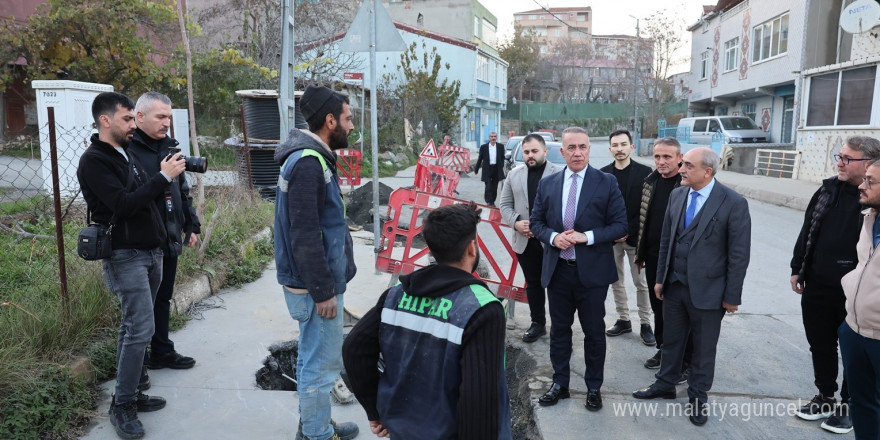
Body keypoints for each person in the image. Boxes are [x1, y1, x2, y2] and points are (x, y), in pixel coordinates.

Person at [342, 203, 511, 439]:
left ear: (430, 248)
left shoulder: (397, 294)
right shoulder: (482, 308)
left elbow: (354, 349)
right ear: (472, 248)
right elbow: (478, 398)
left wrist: (376, 409)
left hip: (402, 429)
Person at [77, 92, 186, 439]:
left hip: (150, 251)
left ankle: (135, 392)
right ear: (105, 120)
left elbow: (149, 198)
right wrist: (163, 177)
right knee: (139, 327)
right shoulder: (94, 160)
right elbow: (123, 204)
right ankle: (121, 406)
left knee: (134, 327)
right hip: (125, 255)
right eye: (126, 119)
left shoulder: (126, 153)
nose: (132, 126)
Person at [632, 147, 751, 427]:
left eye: (687, 165)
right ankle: (665, 384)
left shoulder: (733, 202)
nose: (681, 169)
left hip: (710, 292)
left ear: (707, 172)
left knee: (703, 347)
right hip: (674, 285)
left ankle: (698, 395)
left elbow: (738, 254)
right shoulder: (677, 195)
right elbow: (666, 242)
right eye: (682, 163)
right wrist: (661, 279)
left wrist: (732, 296)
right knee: (672, 341)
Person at [274, 85, 359, 440]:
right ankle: (317, 435)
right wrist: (324, 291)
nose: (351, 126)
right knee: (321, 366)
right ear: (329, 121)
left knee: (313, 358)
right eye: (348, 118)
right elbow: (305, 234)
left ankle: (314, 423)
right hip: (315, 289)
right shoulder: (308, 163)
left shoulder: (312, 158)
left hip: (314, 282)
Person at [529, 126, 628, 411]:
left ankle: (593, 386)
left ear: (589, 149)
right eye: (571, 148)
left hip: (592, 274)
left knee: (594, 333)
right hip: (559, 270)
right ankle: (560, 383)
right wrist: (552, 237)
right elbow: (536, 222)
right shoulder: (548, 184)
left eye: (582, 147)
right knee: (559, 331)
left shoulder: (606, 182)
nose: (577, 152)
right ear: (562, 151)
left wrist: (587, 236)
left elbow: (620, 225)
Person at [790, 136, 880, 434]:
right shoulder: (827, 190)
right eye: (838, 156)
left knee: (852, 349)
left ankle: (849, 404)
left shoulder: (872, 200)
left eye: (846, 158)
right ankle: (825, 395)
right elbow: (808, 230)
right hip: (817, 284)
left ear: (869, 163)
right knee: (820, 344)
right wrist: (797, 267)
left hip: (854, 293)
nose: (839, 162)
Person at [129, 92, 200, 377]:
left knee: (163, 297)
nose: (166, 122)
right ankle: (138, 363)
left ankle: (161, 351)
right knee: (140, 306)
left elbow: (182, 191)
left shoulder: (169, 147)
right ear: (140, 117)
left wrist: (191, 225)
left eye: (169, 116)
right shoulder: (129, 152)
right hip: (143, 240)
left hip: (170, 235)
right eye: (160, 116)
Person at [635, 138, 693, 373]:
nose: (661, 162)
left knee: (680, 310)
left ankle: (685, 359)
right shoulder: (650, 182)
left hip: (679, 260)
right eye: (657, 157)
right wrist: (640, 254)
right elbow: (643, 221)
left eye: (667, 157)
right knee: (658, 307)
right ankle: (664, 349)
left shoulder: (688, 185)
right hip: (653, 256)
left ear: (680, 158)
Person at [499, 134, 562, 343]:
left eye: (534, 151)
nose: (530, 155)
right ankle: (538, 323)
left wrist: (546, 229)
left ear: (545, 151)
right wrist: (516, 222)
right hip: (524, 241)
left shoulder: (560, 174)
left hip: (552, 242)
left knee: (557, 285)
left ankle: (561, 328)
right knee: (533, 284)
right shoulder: (514, 175)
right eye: (526, 152)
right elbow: (504, 205)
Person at [600, 129, 654, 344]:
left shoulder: (645, 172)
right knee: (616, 281)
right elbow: (600, 209)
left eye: (623, 144)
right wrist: (614, 232)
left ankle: (645, 323)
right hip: (611, 239)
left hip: (636, 239)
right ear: (610, 148)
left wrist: (628, 231)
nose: (619, 149)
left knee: (642, 283)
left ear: (631, 146)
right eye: (615, 145)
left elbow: (647, 208)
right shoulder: (602, 174)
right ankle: (623, 319)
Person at [840, 155, 880, 440]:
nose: (862, 186)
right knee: (862, 404)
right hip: (854, 330)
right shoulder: (870, 217)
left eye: (871, 181)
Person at [474, 132, 505, 206]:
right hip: (487, 169)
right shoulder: (484, 147)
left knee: (494, 187)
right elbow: (480, 158)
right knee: (488, 186)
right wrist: (476, 169)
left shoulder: (500, 147)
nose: (493, 138)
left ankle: (492, 201)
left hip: (496, 169)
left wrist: (501, 166)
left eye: (494, 136)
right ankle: (488, 201)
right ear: (489, 137)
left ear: (496, 137)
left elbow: (502, 158)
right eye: (491, 136)